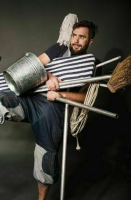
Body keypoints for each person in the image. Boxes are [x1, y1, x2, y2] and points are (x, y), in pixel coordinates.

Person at [0, 20, 98, 200]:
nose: (76, 40)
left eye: (82, 37)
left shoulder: (91, 66)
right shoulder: (59, 49)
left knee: (46, 161)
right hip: (30, 100)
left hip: (52, 114)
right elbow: (33, 66)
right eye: (74, 36)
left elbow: (87, 99)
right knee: (1, 100)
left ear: (90, 41)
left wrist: (61, 95)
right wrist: (48, 77)